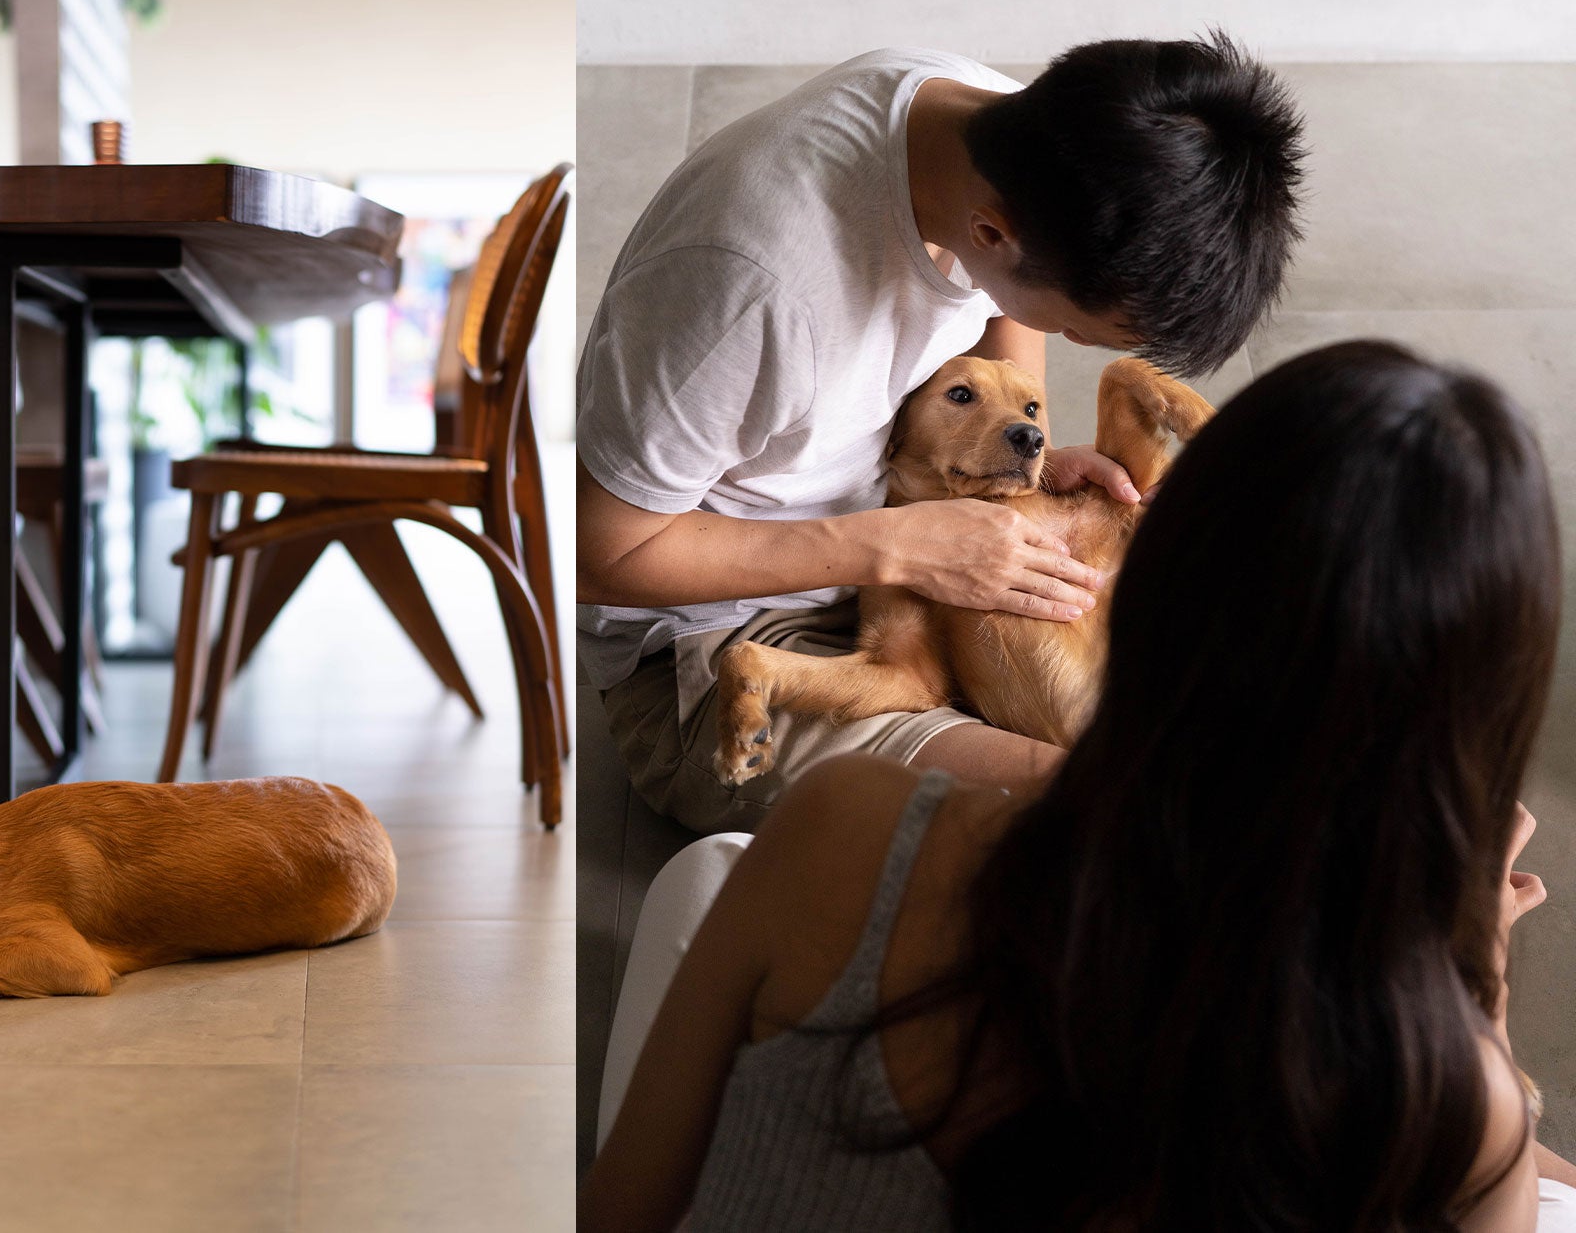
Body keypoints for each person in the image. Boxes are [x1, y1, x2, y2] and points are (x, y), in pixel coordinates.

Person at [580, 341, 1576, 1231]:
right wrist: (1470, 993)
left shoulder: (838, 820)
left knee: (709, 872)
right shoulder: (1455, 1099)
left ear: (1159, 556)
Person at [577, 31, 1306, 833]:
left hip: (900, 524)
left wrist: (1015, 465)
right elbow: (597, 552)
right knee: (1101, 806)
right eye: (1077, 329)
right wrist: (902, 544)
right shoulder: (747, 288)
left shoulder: (995, 131)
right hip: (719, 634)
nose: (1062, 347)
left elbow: (1002, 334)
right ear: (993, 235)